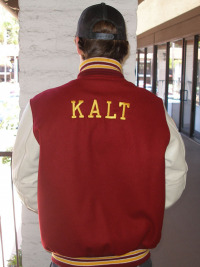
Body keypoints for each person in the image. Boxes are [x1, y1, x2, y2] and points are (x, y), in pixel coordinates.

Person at [12, 3, 187, 267]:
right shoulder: (153, 108)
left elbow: (24, 179)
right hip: (135, 259)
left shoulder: (41, 107)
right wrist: (139, 206)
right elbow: (174, 178)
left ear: (78, 45)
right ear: (124, 49)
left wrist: (62, 208)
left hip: (69, 261)